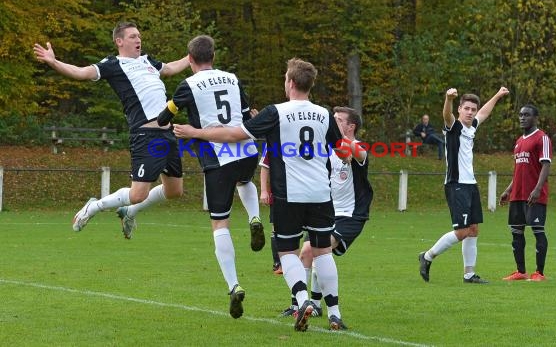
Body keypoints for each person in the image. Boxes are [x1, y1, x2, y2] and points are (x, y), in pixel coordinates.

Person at [173, 58, 348, 331]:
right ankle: (335, 313)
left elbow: (233, 135)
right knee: (323, 251)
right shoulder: (324, 114)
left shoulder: (275, 112)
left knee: (288, 252)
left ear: (290, 82)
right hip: (321, 193)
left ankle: (303, 300)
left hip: (289, 194)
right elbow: (342, 151)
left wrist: (194, 131)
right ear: (310, 85)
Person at [33, 21, 190, 239]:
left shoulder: (148, 61)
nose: (139, 40)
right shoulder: (113, 64)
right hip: (146, 135)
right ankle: (94, 206)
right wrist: (53, 62)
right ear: (119, 41)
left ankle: (130, 212)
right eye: (133, 36)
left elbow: (171, 68)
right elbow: (81, 72)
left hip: (167, 133)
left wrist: (191, 56)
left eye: (139, 36)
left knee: (175, 191)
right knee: (137, 194)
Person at [156, 35, 264, 320]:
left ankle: (234, 285)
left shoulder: (187, 85)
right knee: (245, 181)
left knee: (220, 223)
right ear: (213, 56)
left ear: (190, 59)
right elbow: (245, 112)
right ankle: (255, 217)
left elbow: (165, 117)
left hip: (219, 159)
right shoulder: (232, 78)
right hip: (247, 151)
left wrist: (167, 118)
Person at [280, 106, 373, 325]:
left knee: (309, 249)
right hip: (325, 211)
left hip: (350, 215)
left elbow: (359, 153)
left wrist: (340, 141)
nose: (332, 123)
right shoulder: (326, 149)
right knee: (313, 255)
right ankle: (306, 305)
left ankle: (311, 306)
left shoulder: (357, 146)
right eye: (332, 120)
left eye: (338, 120)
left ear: (351, 126)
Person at [418, 86, 509, 284]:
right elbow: (446, 114)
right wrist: (448, 98)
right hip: (456, 184)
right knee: (462, 231)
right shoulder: (454, 127)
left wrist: (498, 95)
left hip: (471, 184)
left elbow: (484, 111)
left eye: (472, 109)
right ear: (460, 109)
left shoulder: (472, 126)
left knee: (473, 229)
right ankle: (427, 256)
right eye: (466, 108)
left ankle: (469, 274)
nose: (470, 112)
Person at [499, 105, 552, 281]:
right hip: (517, 195)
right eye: (521, 115)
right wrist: (508, 190)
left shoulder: (542, 138)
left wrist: (537, 189)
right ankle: (521, 272)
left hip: (533, 196)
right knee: (516, 233)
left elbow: (546, 165)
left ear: (535, 118)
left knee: (537, 231)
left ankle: (539, 273)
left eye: (527, 115)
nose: (522, 118)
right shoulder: (518, 141)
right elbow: (519, 171)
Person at [258, 150, 282, 275]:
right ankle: (278, 263)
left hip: (300, 193)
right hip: (278, 193)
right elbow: (265, 167)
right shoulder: (272, 141)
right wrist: (263, 191)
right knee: (276, 227)